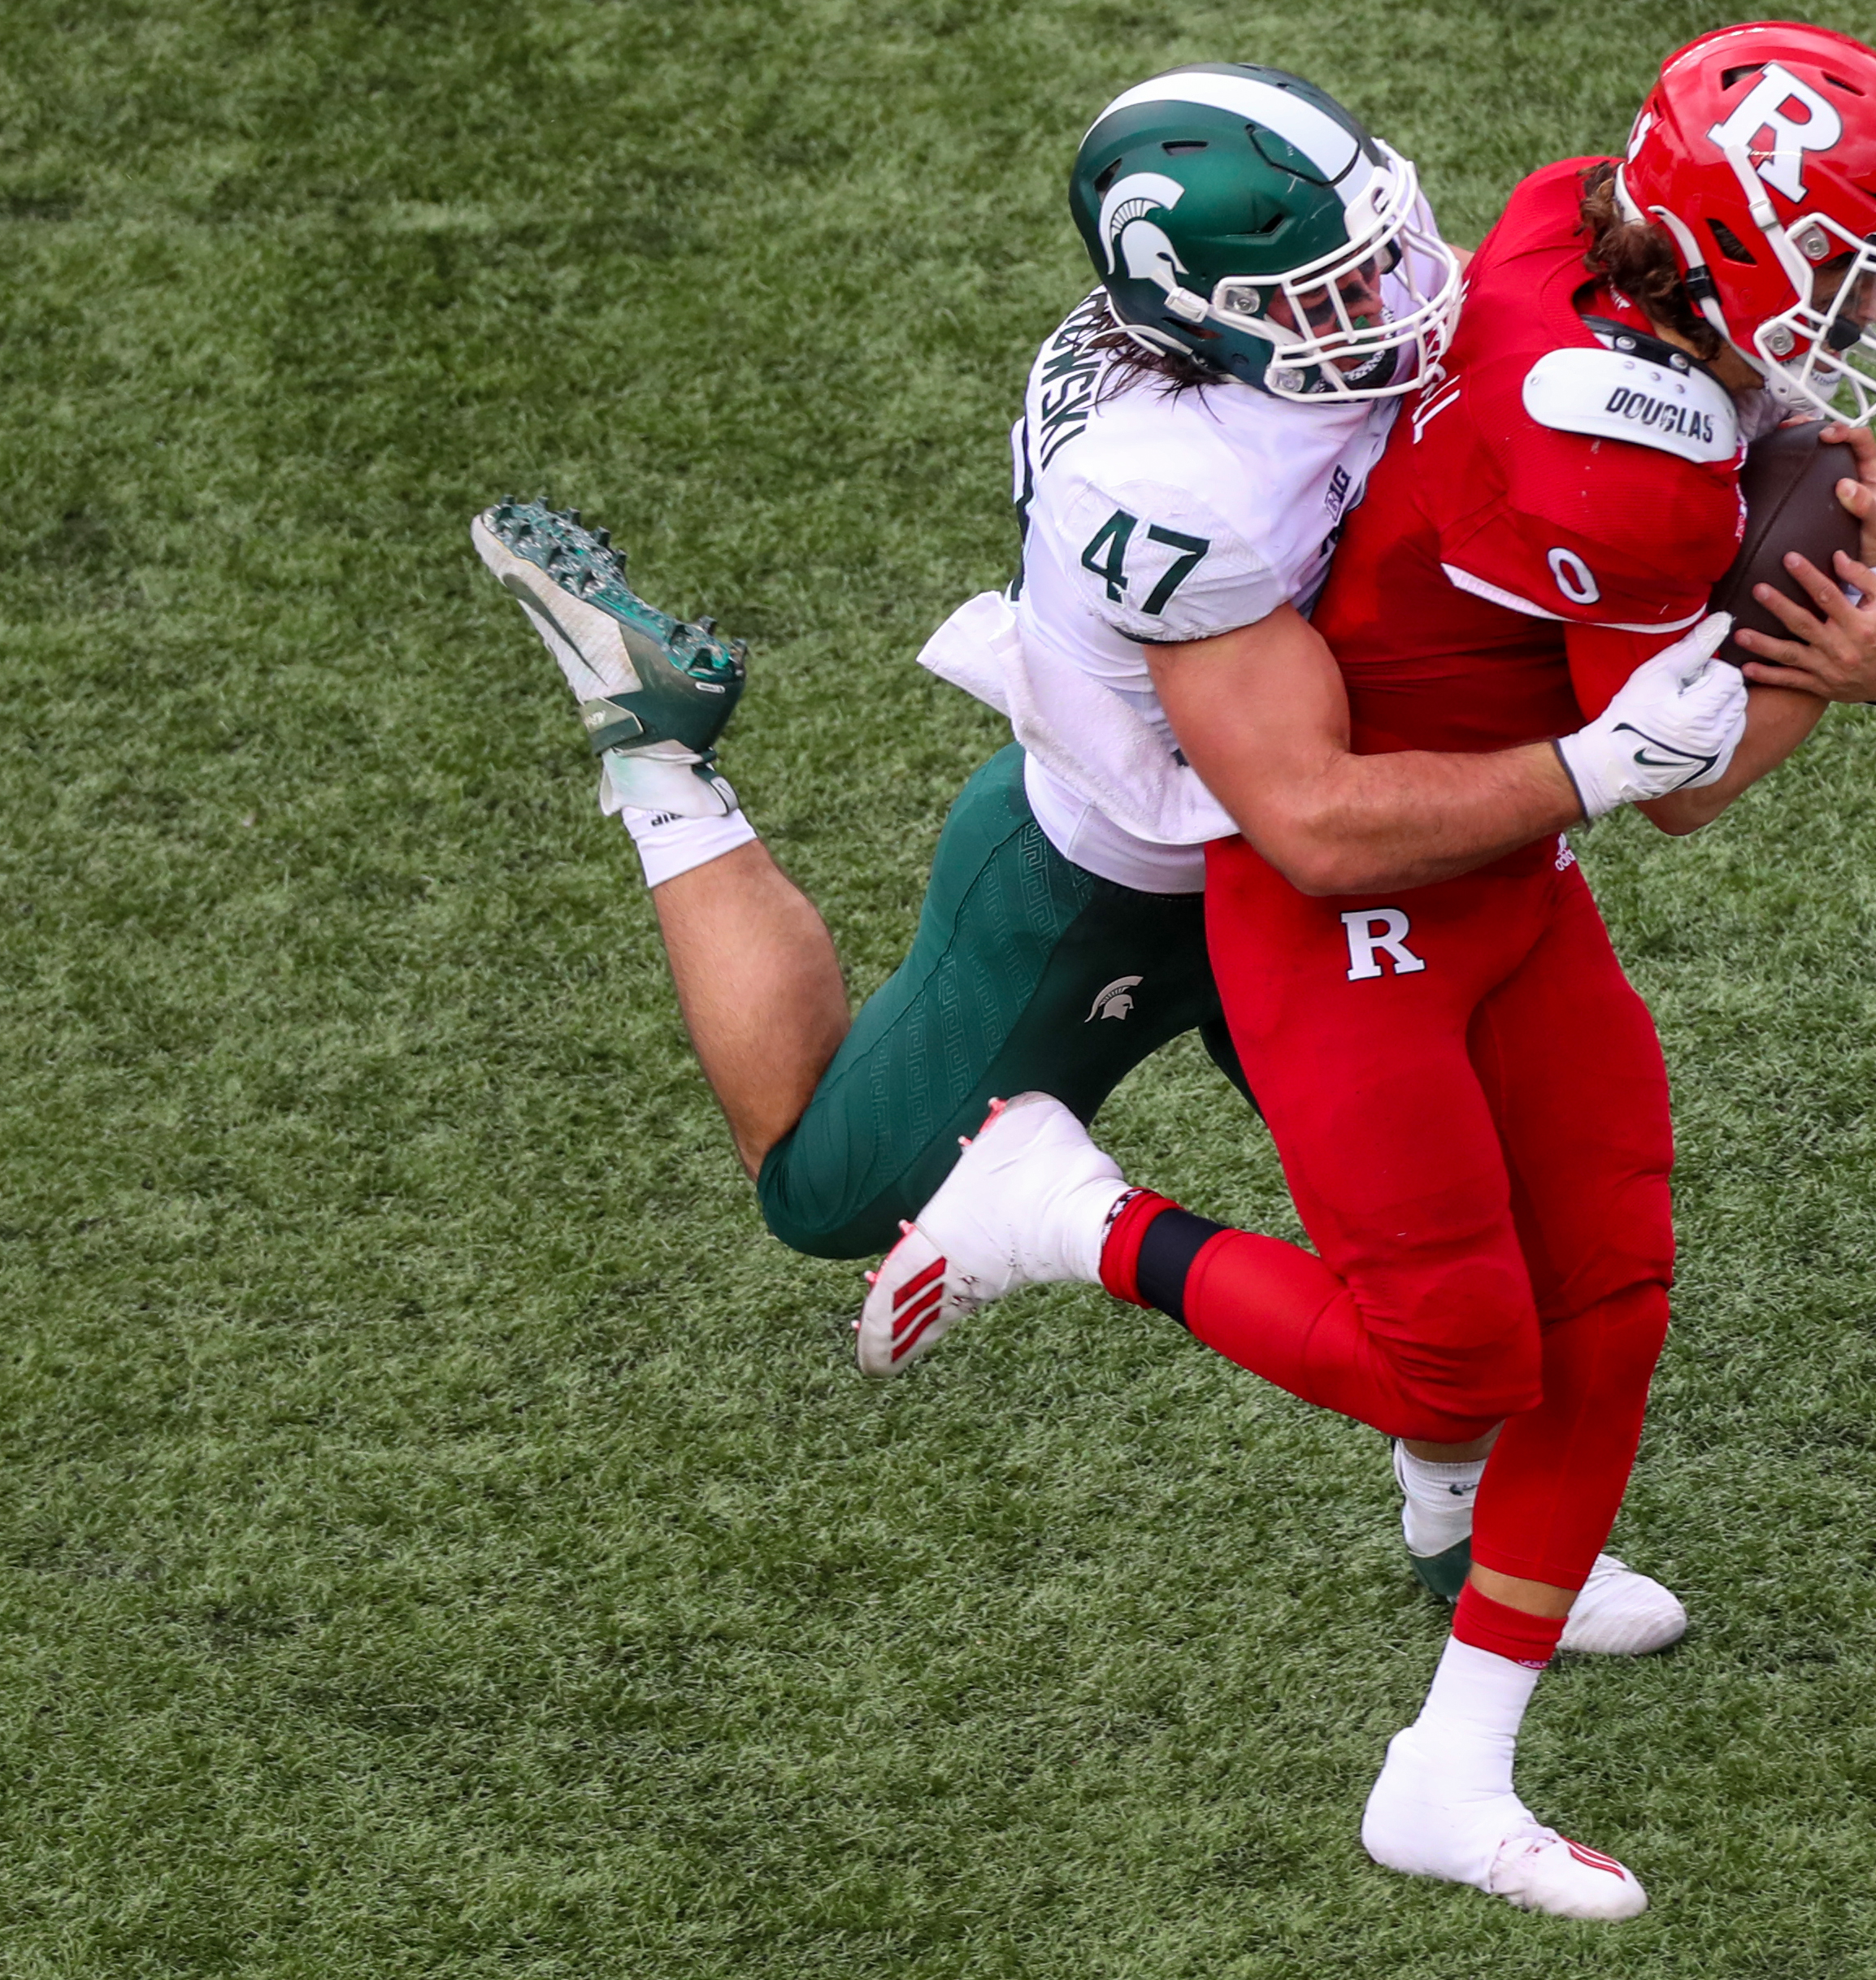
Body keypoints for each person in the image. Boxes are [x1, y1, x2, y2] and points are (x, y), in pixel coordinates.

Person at [862, 21, 1876, 1919]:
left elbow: (1700, 449)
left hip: (1502, 871)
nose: (1863, 307)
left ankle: (1447, 1775)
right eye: (1848, 264)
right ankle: (1065, 1212)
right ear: (1744, 241)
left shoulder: (1558, 221)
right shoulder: (1622, 474)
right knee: (1454, 1352)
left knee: (1606, 1292)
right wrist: (1871, 658)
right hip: (1365, 890)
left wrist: (1773, 470)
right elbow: (1685, 793)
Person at [470, 66, 1750, 1650]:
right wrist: (1594, 764)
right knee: (825, 1197)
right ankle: (662, 758)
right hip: (1129, 878)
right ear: (1195, 315)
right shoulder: (1172, 487)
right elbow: (1309, 809)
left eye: (1386, 246)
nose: (1395, 298)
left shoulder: (1286, 352)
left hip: (1300, 875)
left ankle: (1453, 1540)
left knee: (1461, 1244)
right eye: (1335, 287)